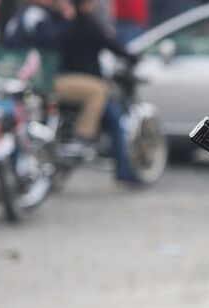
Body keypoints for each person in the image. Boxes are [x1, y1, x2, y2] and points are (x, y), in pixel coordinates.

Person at [2, 0, 107, 159]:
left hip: (25, 79)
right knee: (98, 90)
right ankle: (81, 139)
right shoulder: (35, 14)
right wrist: (68, 19)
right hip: (41, 79)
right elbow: (53, 40)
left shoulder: (21, 15)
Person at [63, 0, 139, 182]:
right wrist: (134, 57)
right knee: (116, 123)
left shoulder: (65, 24)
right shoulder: (91, 25)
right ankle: (123, 171)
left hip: (66, 82)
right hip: (87, 84)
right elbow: (114, 46)